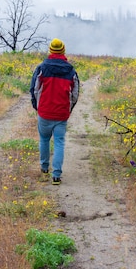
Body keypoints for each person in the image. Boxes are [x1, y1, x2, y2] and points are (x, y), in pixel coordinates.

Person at [30, 38, 80, 185]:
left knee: (44, 140)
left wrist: (37, 107)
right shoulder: (70, 70)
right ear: (63, 51)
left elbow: (34, 90)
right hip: (61, 114)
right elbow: (75, 94)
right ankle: (56, 175)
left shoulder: (41, 68)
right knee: (59, 143)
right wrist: (68, 110)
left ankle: (44, 168)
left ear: (50, 51)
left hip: (44, 112)